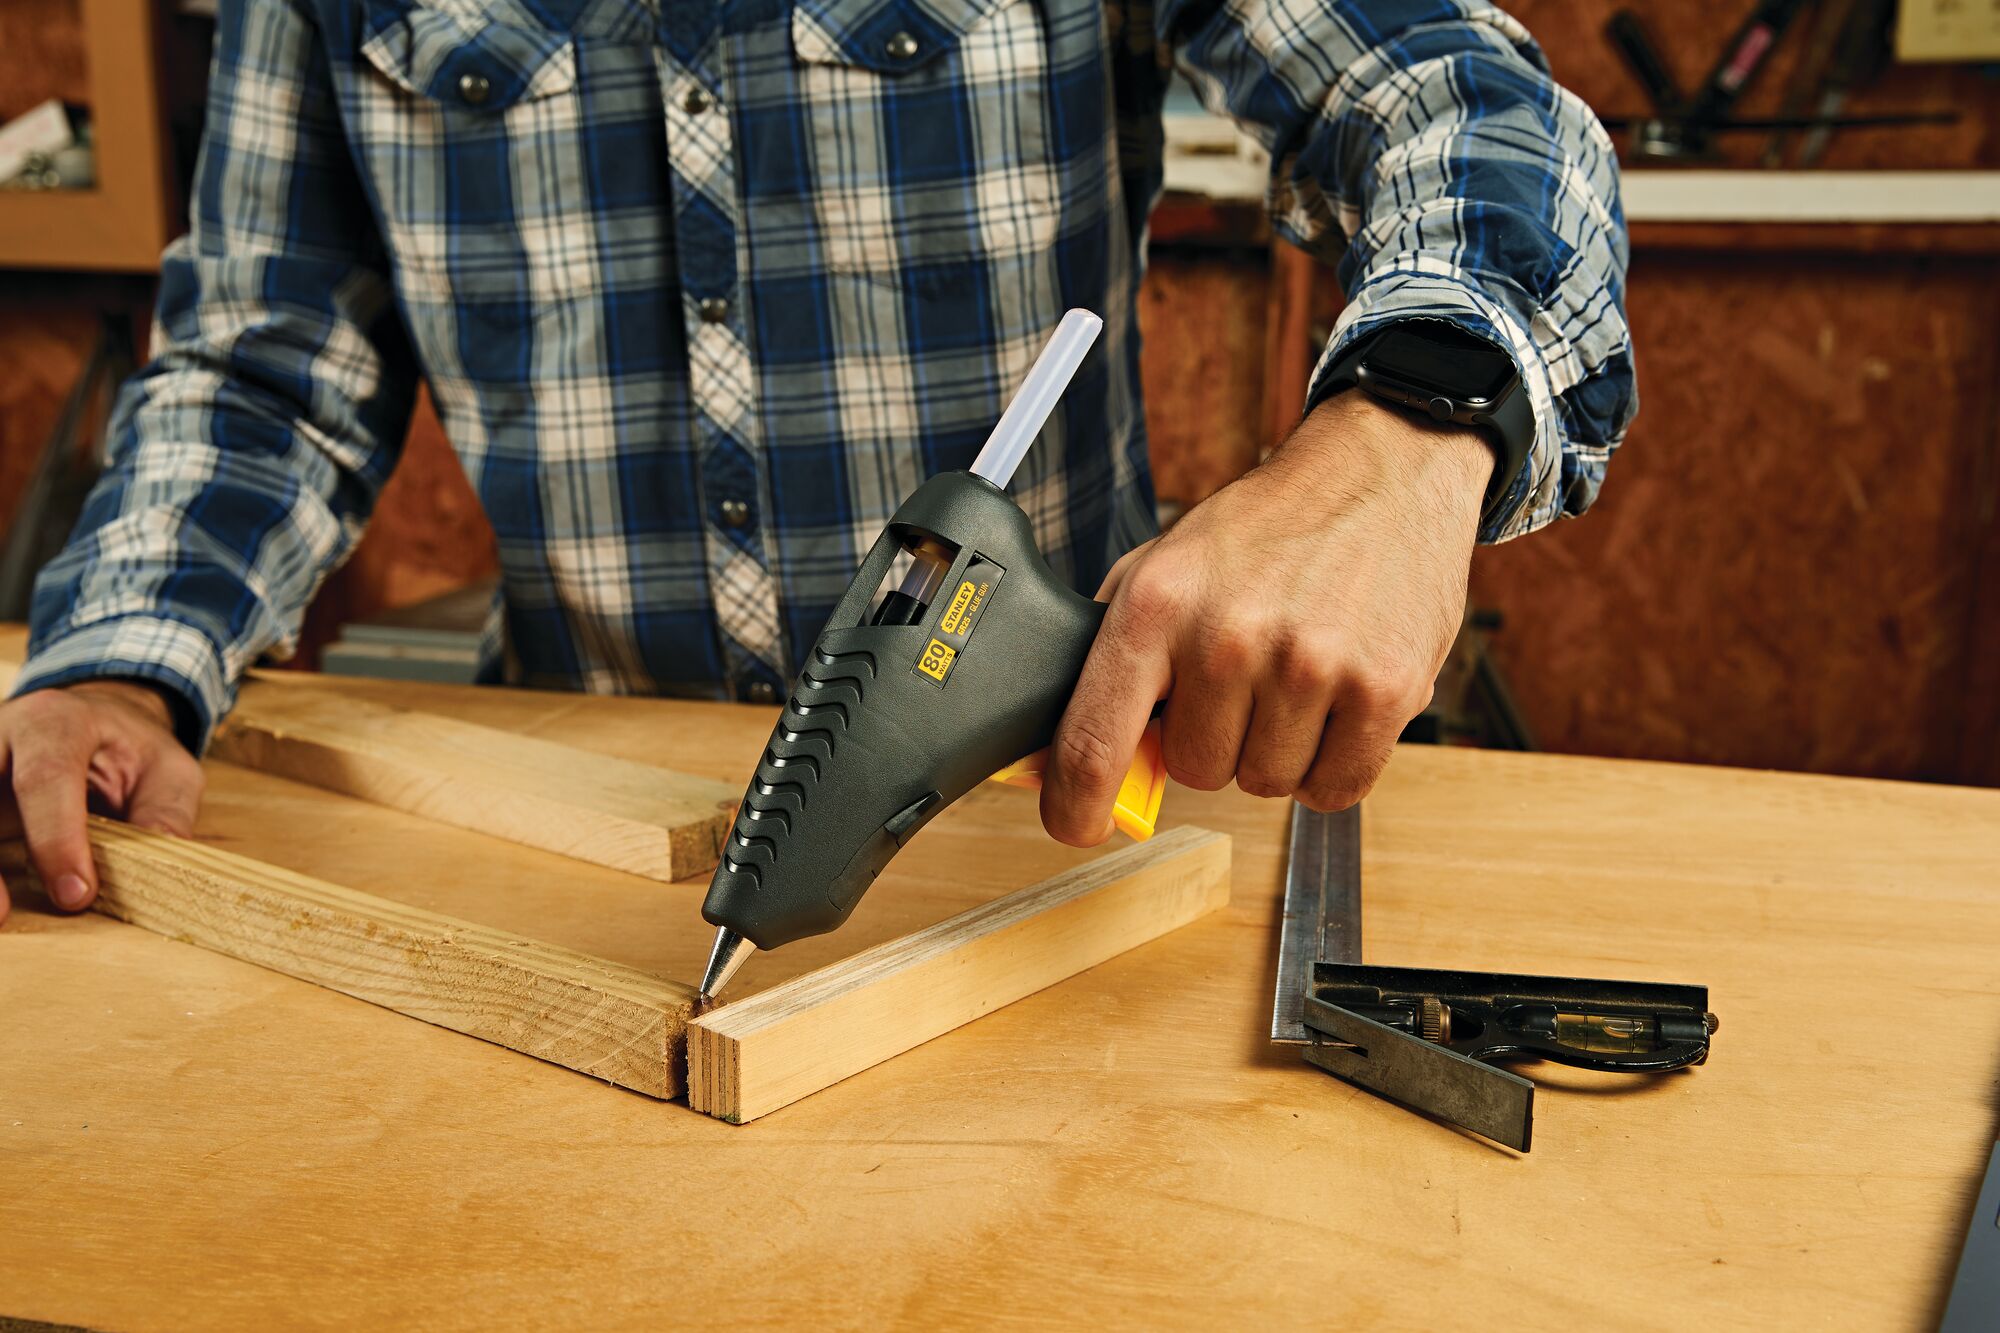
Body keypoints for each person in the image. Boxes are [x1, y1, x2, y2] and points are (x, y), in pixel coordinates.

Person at [0, 0, 1633, 924]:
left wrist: (1411, 427)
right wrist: (123, 664)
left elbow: (1456, 102)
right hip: (578, 826)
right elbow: (268, 363)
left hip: (1048, 824)